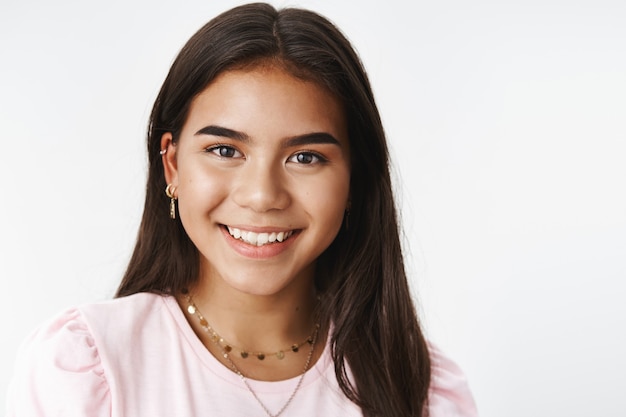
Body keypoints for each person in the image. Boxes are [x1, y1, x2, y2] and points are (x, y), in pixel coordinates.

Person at [7, 3, 478, 416]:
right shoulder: (87, 370)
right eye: (225, 150)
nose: (261, 195)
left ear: (354, 180)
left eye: (305, 157)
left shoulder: (421, 390)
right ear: (171, 165)